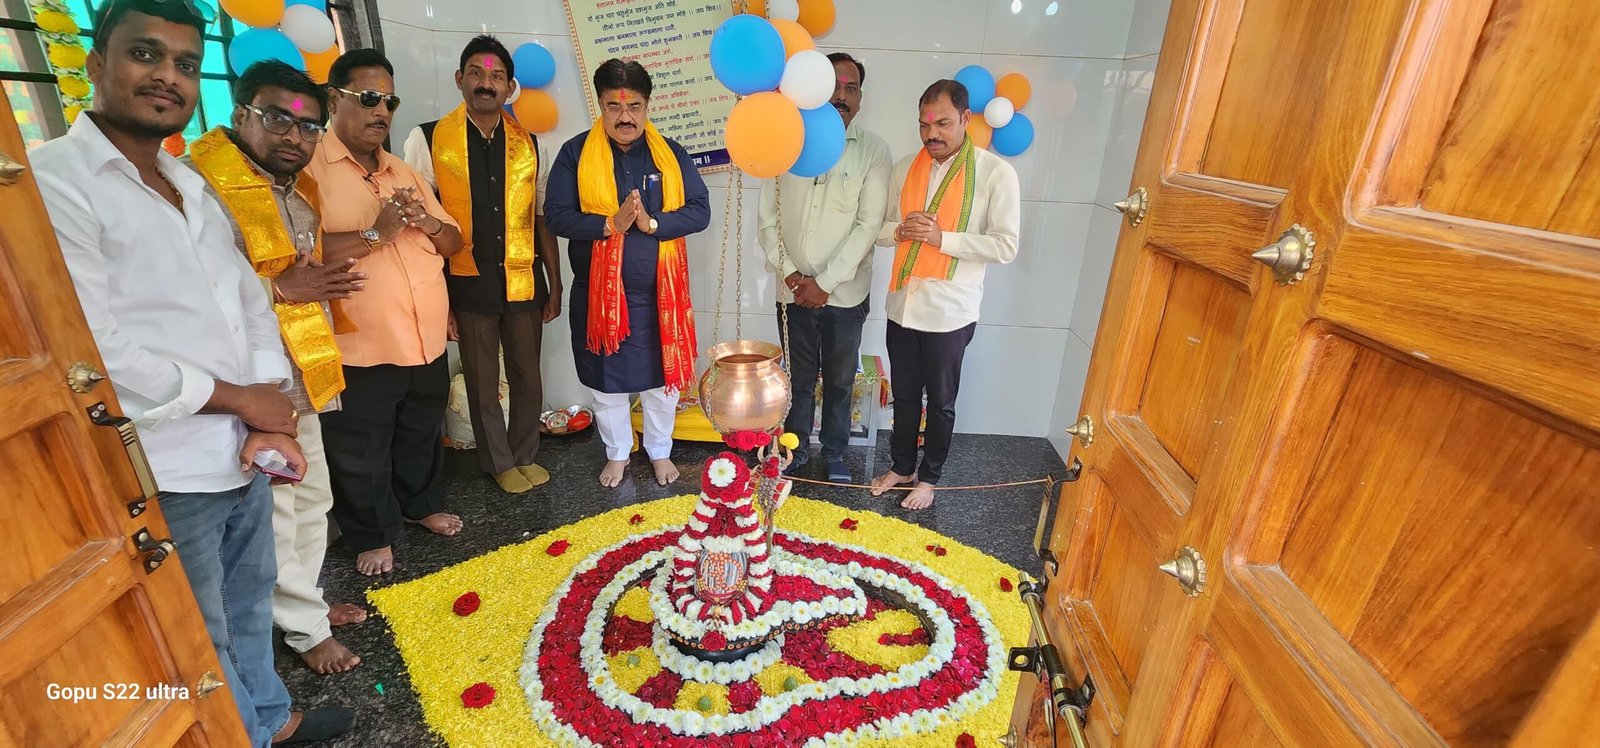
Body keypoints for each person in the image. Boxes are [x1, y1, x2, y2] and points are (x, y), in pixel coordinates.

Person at [31, 1, 354, 743]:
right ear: (96, 63)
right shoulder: (56, 181)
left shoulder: (186, 181)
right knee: (198, 626)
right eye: (145, 54)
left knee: (247, 601)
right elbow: (94, 344)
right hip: (162, 461)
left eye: (183, 62)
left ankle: (270, 719)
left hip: (240, 446)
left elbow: (246, 302)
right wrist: (242, 400)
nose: (167, 77)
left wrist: (265, 409)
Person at [184, 60, 368, 674]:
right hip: (242, 389)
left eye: (309, 127)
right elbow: (192, 295)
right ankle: (303, 629)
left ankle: (302, 605)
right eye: (277, 119)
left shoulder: (292, 190)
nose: (295, 136)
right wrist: (283, 290)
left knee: (311, 499)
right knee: (279, 512)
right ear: (240, 114)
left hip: (298, 375)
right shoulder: (198, 189)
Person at [305, 48, 466, 576]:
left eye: (389, 101)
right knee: (361, 446)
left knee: (420, 431)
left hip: (424, 337)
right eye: (369, 98)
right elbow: (297, 253)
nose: (381, 111)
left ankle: (420, 505)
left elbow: (452, 241)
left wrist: (428, 223)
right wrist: (377, 233)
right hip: (361, 344)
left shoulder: (404, 172)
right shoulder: (309, 169)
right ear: (334, 100)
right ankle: (372, 533)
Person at [402, 35, 560, 495]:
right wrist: (440, 299)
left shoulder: (531, 145)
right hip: (466, 284)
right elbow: (421, 226)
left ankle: (525, 453)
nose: (485, 83)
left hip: (523, 281)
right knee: (482, 379)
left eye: (496, 76)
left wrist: (555, 282)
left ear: (510, 87)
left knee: (528, 376)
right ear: (459, 79)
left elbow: (541, 218)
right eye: (476, 73)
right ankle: (498, 461)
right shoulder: (429, 138)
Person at [545, 58, 711, 488]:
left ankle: (659, 451)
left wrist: (652, 224)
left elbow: (700, 210)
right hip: (599, 299)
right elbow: (556, 215)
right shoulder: (575, 154)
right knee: (608, 386)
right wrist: (609, 224)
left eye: (634, 106)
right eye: (614, 106)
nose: (625, 116)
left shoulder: (669, 154)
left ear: (647, 106)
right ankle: (617, 453)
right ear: (599, 105)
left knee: (661, 383)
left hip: (660, 298)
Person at [870, 80, 1020, 511]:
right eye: (924, 124)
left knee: (940, 402)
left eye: (943, 124)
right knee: (903, 396)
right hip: (902, 304)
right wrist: (901, 231)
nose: (931, 134)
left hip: (950, 311)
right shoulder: (905, 167)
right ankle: (902, 467)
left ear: (966, 119)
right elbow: (880, 230)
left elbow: (1006, 246)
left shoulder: (994, 173)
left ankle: (929, 478)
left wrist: (943, 239)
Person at [758, 52, 891, 483]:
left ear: (861, 98)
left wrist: (825, 283)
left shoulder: (873, 151)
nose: (842, 96)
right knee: (796, 380)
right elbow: (767, 218)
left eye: (851, 88)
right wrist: (792, 275)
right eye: (834, 86)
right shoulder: (785, 142)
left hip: (846, 294)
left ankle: (835, 453)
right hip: (792, 291)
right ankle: (794, 450)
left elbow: (868, 225)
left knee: (839, 380)